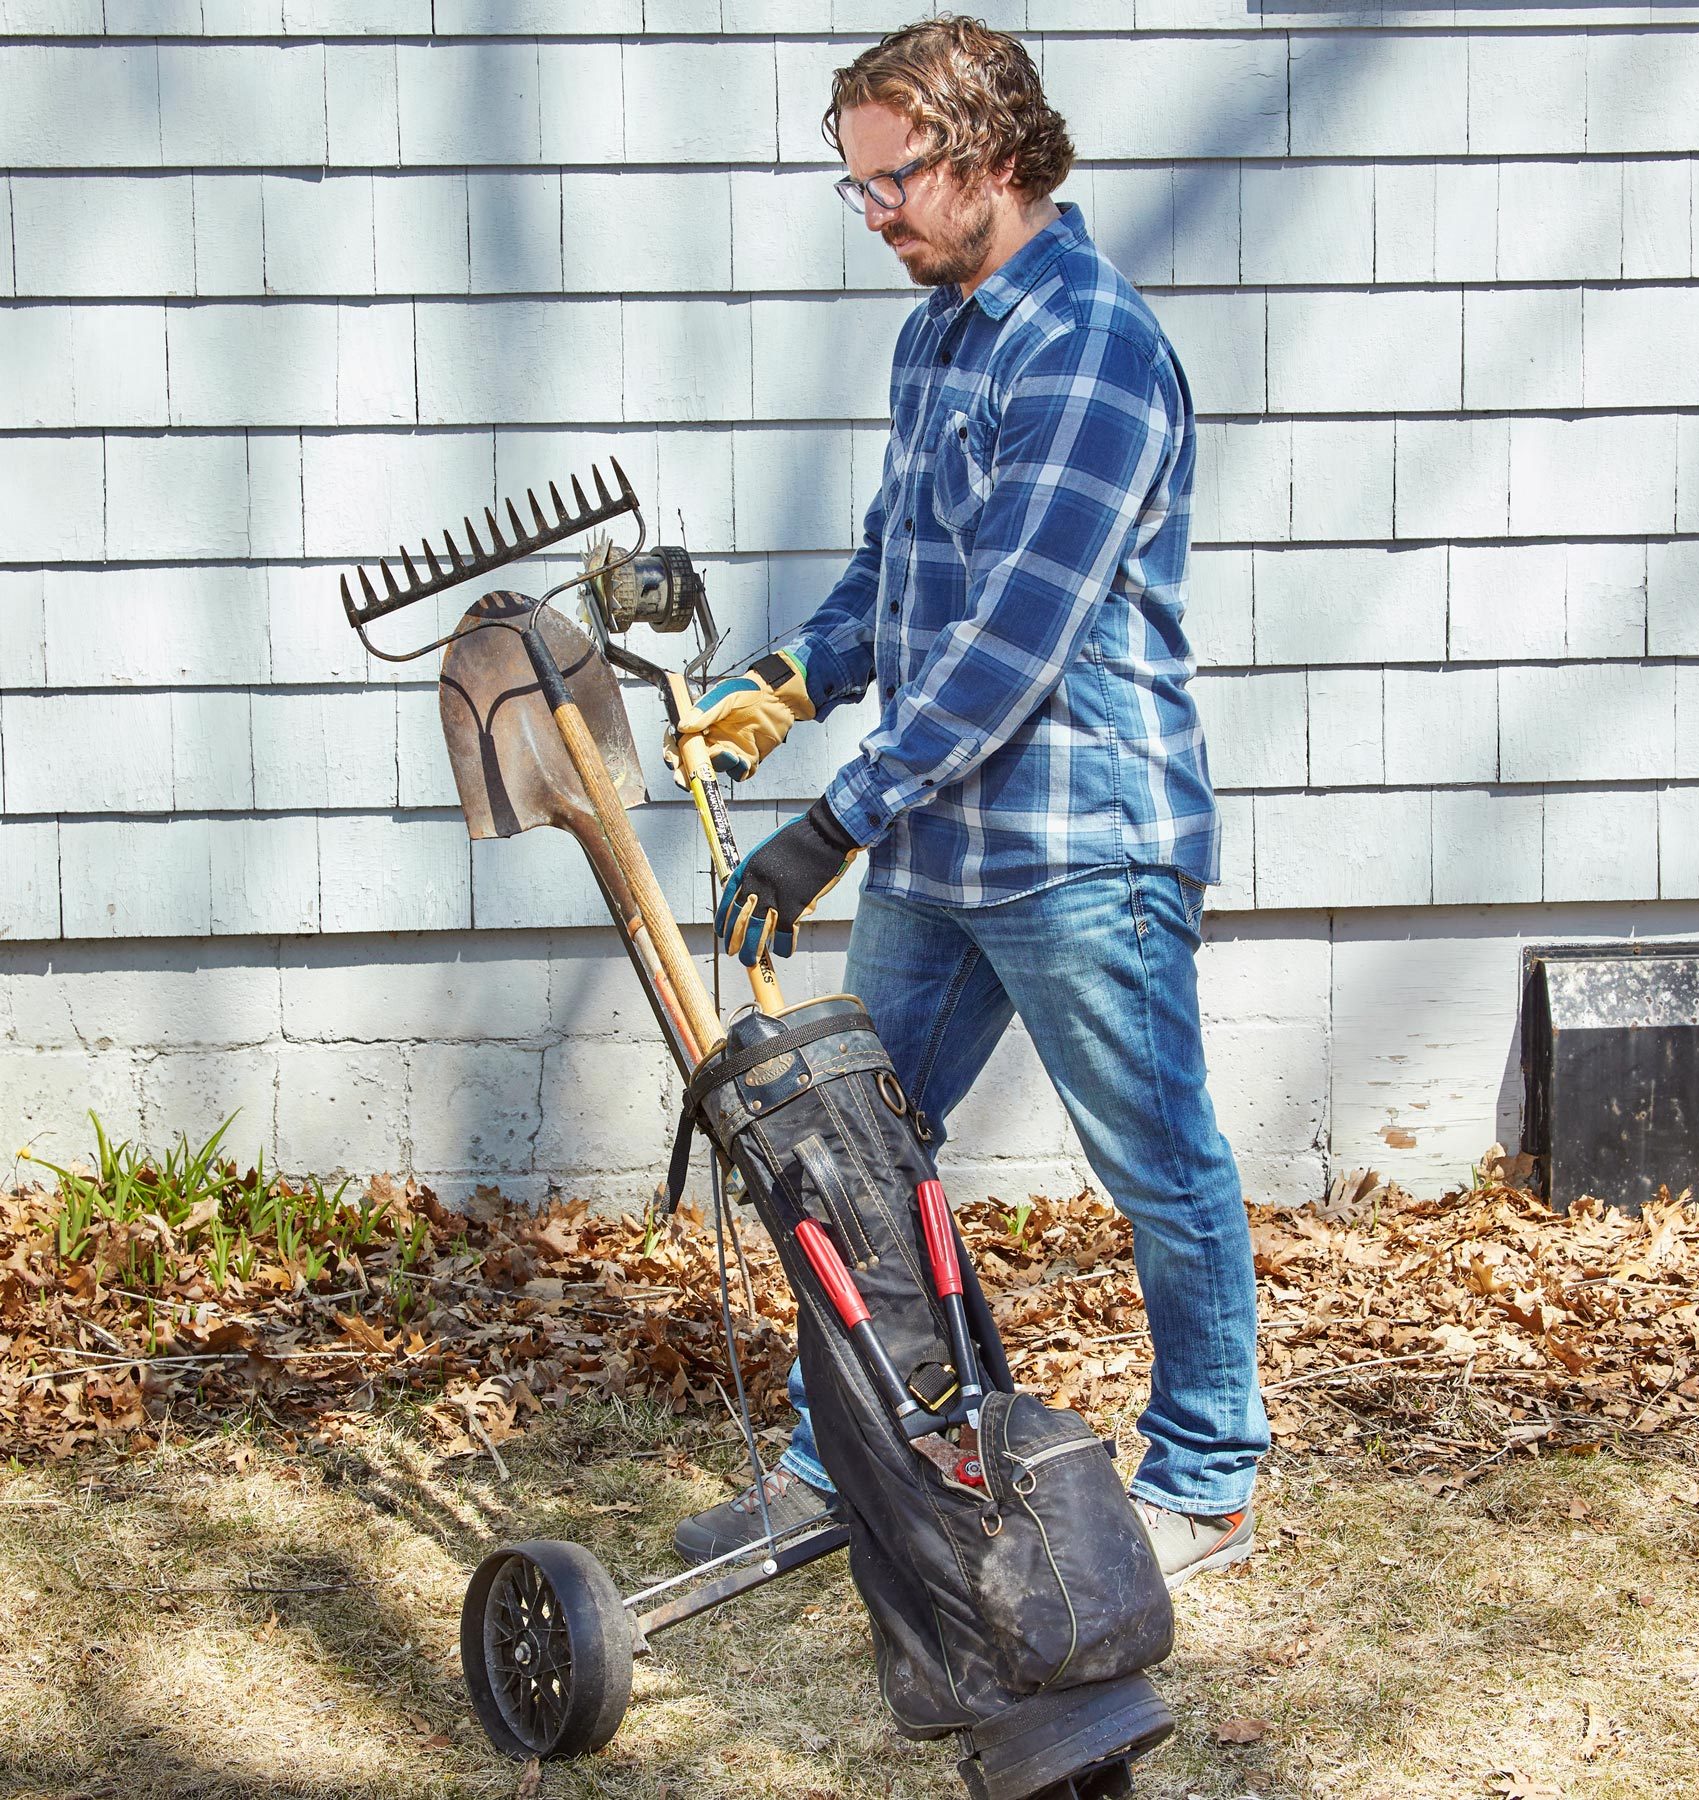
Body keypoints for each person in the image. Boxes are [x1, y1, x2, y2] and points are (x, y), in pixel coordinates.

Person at [670, 16, 1268, 1591]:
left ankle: (1205, 1473)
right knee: (848, 1164)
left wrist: (834, 818)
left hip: (1083, 845)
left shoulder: (1091, 350)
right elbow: (903, 570)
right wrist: (792, 679)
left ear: (997, 155)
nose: (875, 214)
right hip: (941, 847)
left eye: (897, 182)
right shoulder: (937, 333)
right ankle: (837, 1462)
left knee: (1158, 1163)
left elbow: (1012, 636)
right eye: (854, 187)